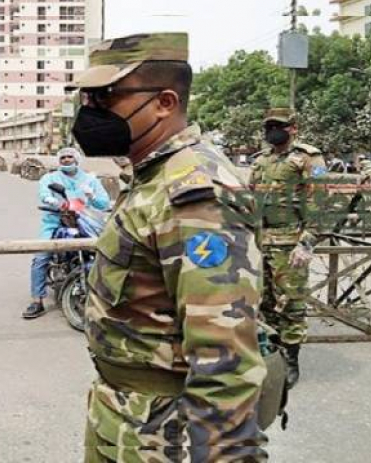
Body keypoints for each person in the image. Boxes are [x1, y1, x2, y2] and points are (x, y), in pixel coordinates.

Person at [68, 33, 268, 461]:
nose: (89, 112)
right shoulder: (151, 176)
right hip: (123, 415)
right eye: (86, 98)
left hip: (166, 433)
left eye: (105, 97)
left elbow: (226, 361)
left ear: (164, 103)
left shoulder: (196, 193)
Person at [250, 108, 326, 389]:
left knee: (291, 303)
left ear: (293, 128)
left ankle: (291, 359)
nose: (273, 131)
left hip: (290, 241)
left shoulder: (307, 158)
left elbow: (319, 201)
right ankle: (273, 357)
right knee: (265, 301)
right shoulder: (261, 160)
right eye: (269, 126)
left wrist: (306, 242)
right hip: (261, 240)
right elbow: (251, 199)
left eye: (278, 126)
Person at [22, 147, 110, 319]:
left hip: (84, 221)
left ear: (77, 159)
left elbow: (104, 203)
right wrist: (55, 202)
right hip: (55, 221)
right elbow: (44, 194)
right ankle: (37, 301)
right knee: (41, 257)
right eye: (63, 157)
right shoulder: (50, 177)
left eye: (70, 157)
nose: (66, 160)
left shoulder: (89, 179)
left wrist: (92, 196)